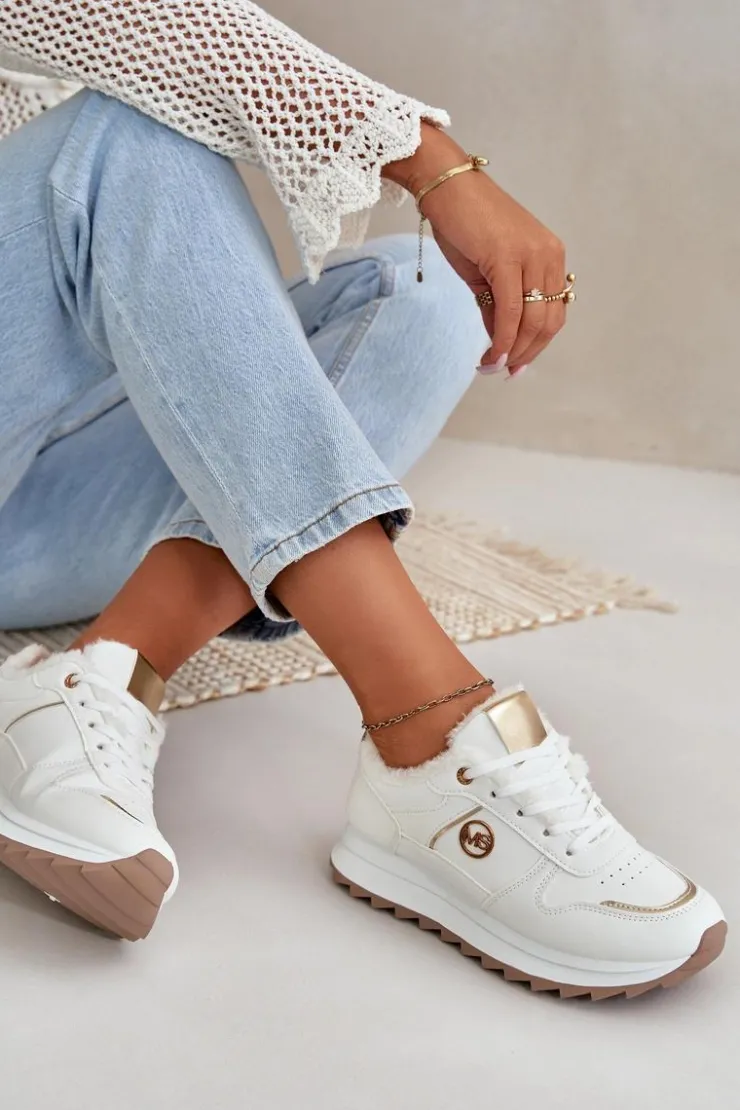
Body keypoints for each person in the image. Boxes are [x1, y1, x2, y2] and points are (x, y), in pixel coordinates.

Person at [0, 2, 725, 998]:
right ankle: (429, 737)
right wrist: (438, 166)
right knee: (119, 138)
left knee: (427, 295)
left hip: (49, 502)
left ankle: (100, 677)